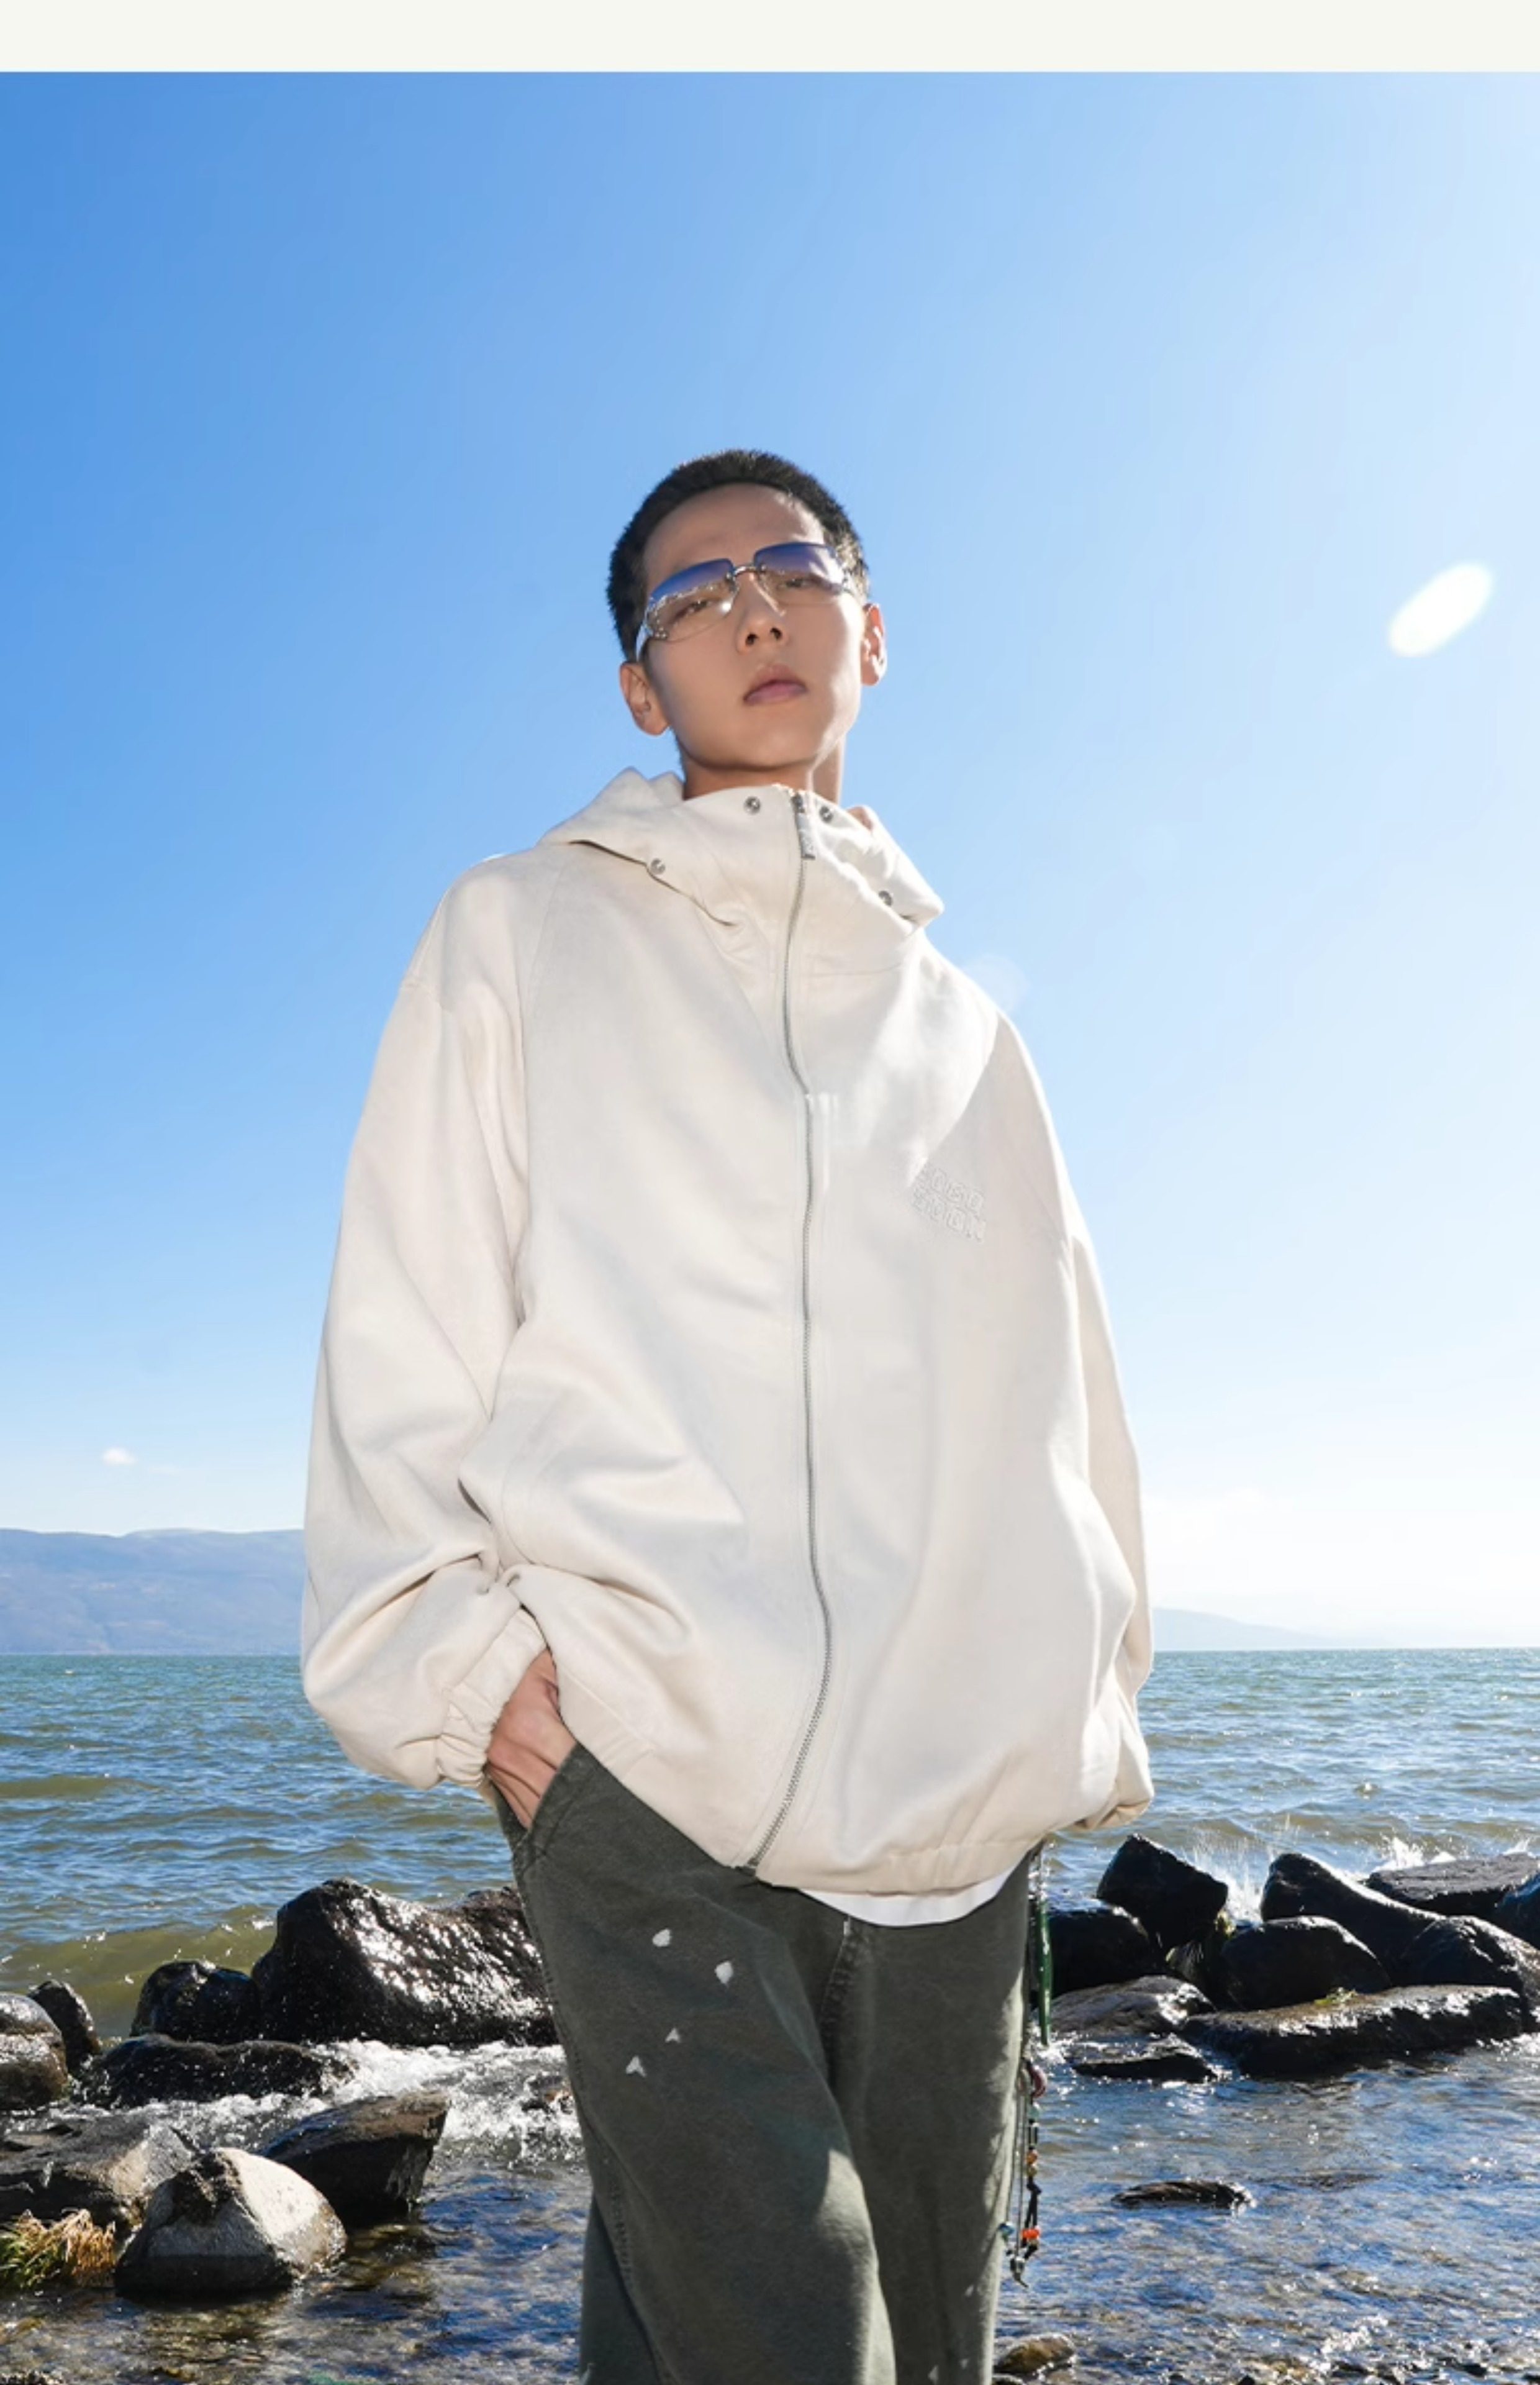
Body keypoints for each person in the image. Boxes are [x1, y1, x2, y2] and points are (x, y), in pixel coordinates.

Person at [301, 448, 1154, 2385]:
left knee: (911, 2334)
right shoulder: (522, 927)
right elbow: (407, 1315)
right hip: (639, 1758)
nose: (753, 606)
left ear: (872, 629)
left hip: (956, 1810)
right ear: (641, 685)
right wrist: (470, 1674)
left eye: (794, 566)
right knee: (791, 2328)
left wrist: (1079, 1706)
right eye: (693, 596)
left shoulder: (968, 1032)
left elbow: (1067, 1396)